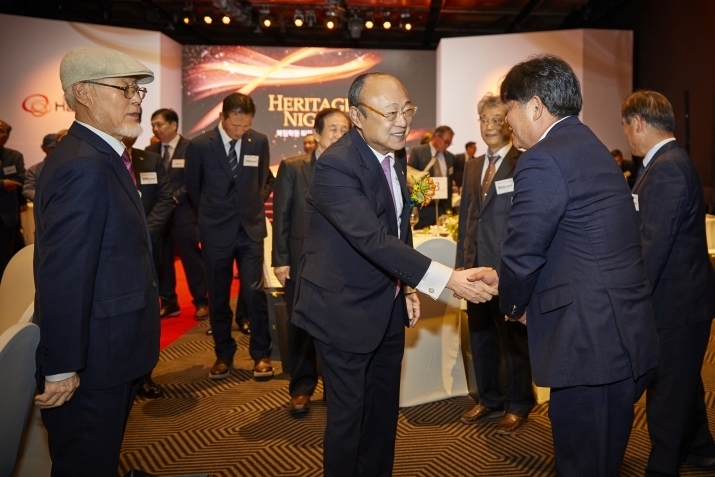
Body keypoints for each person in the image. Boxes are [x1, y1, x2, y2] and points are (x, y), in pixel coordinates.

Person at [291, 72, 499, 477]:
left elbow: (397, 228)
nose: (402, 122)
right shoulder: (336, 165)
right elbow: (372, 239)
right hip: (341, 310)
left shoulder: (395, 155)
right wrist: (449, 280)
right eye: (390, 113)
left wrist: (405, 288)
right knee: (349, 420)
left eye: (407, 110)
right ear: (357, 116)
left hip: (386, 306)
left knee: (383, 416)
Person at [491, 55, 658, 476]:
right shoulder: (590, 145)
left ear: (534, 106)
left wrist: (513, 305)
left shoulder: (543, 158)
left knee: (584, 463)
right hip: (618, 335)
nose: (506, 121)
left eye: (509, 109)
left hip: (587, 344)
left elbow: (522, 252)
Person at [33, 45, 159, 475]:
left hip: (111, 354)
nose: (137, 100)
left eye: (139, 91)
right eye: (126, 89)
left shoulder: (102, 156)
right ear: (83, 92)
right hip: (92, 365)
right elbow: (64, 274)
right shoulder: (83, 165)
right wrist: (62, 367)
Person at [621, 90, 715, 476]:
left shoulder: (668, 167)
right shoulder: (666, 163)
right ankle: (702, 450)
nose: (626, 135)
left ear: (639, 122)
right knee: (683, 383)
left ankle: (662, 469)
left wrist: (628, 303)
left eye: (626, 126)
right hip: (682, 302)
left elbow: (652, 247)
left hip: (677, 306)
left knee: (666, 395)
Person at [456, 93, 533, 434]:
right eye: (484, 120)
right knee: (481, 338)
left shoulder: (522, 161)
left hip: (505, 271)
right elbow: (467, 219)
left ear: (508, 124)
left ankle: (518, 403)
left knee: (512, 342)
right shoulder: (473, 165)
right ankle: (488, 398)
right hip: (475, 271)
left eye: (496, 120)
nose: (489, 126)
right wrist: (461, 267)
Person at [186, 92, 274, 381]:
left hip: (250, 230)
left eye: (246, 125)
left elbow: (263, 178)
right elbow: (194, 188)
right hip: (216, 231)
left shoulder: (258, 141)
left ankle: (261, 354)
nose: (241, 131)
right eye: (236, 125)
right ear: (222, 117)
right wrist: (213, 212)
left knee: (253, 293)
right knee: (219, 295)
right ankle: (223, 353)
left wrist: (254, 202)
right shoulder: (200, 145)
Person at [273, 107, 350, 417]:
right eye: (333, 129)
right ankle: (301, 388)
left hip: (340, 264)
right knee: (301, 327)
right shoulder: (293, 168)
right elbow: (281, 215)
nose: (340, 135)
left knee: (337, 330)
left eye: (345, 130)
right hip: (301, 262)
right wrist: (280, 260)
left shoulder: (352, 169)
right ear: (316, 134)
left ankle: (334, 388)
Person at [146, 108, 209, 320]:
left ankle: (201, 301)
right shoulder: (150, 151)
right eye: (153, 125)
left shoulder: (190, 147)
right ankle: (169, 302)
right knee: (162, 261)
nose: (155, 128)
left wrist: (172, 199)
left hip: (184, 215)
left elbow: (194, 181)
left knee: (192, 261)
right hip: (159, 219)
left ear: (173, 125)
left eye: (159, 124)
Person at [125, 134, 174, 399]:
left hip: (149, 246)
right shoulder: (102, 159)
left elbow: (166, 198)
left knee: (147, 313)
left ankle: (144, 376)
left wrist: (146, 231)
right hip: (113, 250)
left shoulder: (151, 160)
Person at [408, 125, 456, 228]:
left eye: (449, 143)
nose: (447, 145)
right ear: (437, 137)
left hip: (443, 211)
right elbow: (409, 179)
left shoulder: (450, 157)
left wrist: (449, 210)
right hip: (423, 209)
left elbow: (449, 186)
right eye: (446, 142)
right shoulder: (418, 152)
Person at [0, 119, 26, 276]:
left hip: (6, 214)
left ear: (7, 136)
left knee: (5, 256)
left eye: (1, 131)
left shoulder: (15, 156)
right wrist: (3, 183)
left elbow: (20, 179)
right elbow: (9, 182)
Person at [23, 133, 57, 201]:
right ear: (43, 148)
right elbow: (28, 189)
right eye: (52, 148)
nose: (55, 151)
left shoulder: (72, 166)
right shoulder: (34, 170)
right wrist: (46, 200)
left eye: (58, 147)